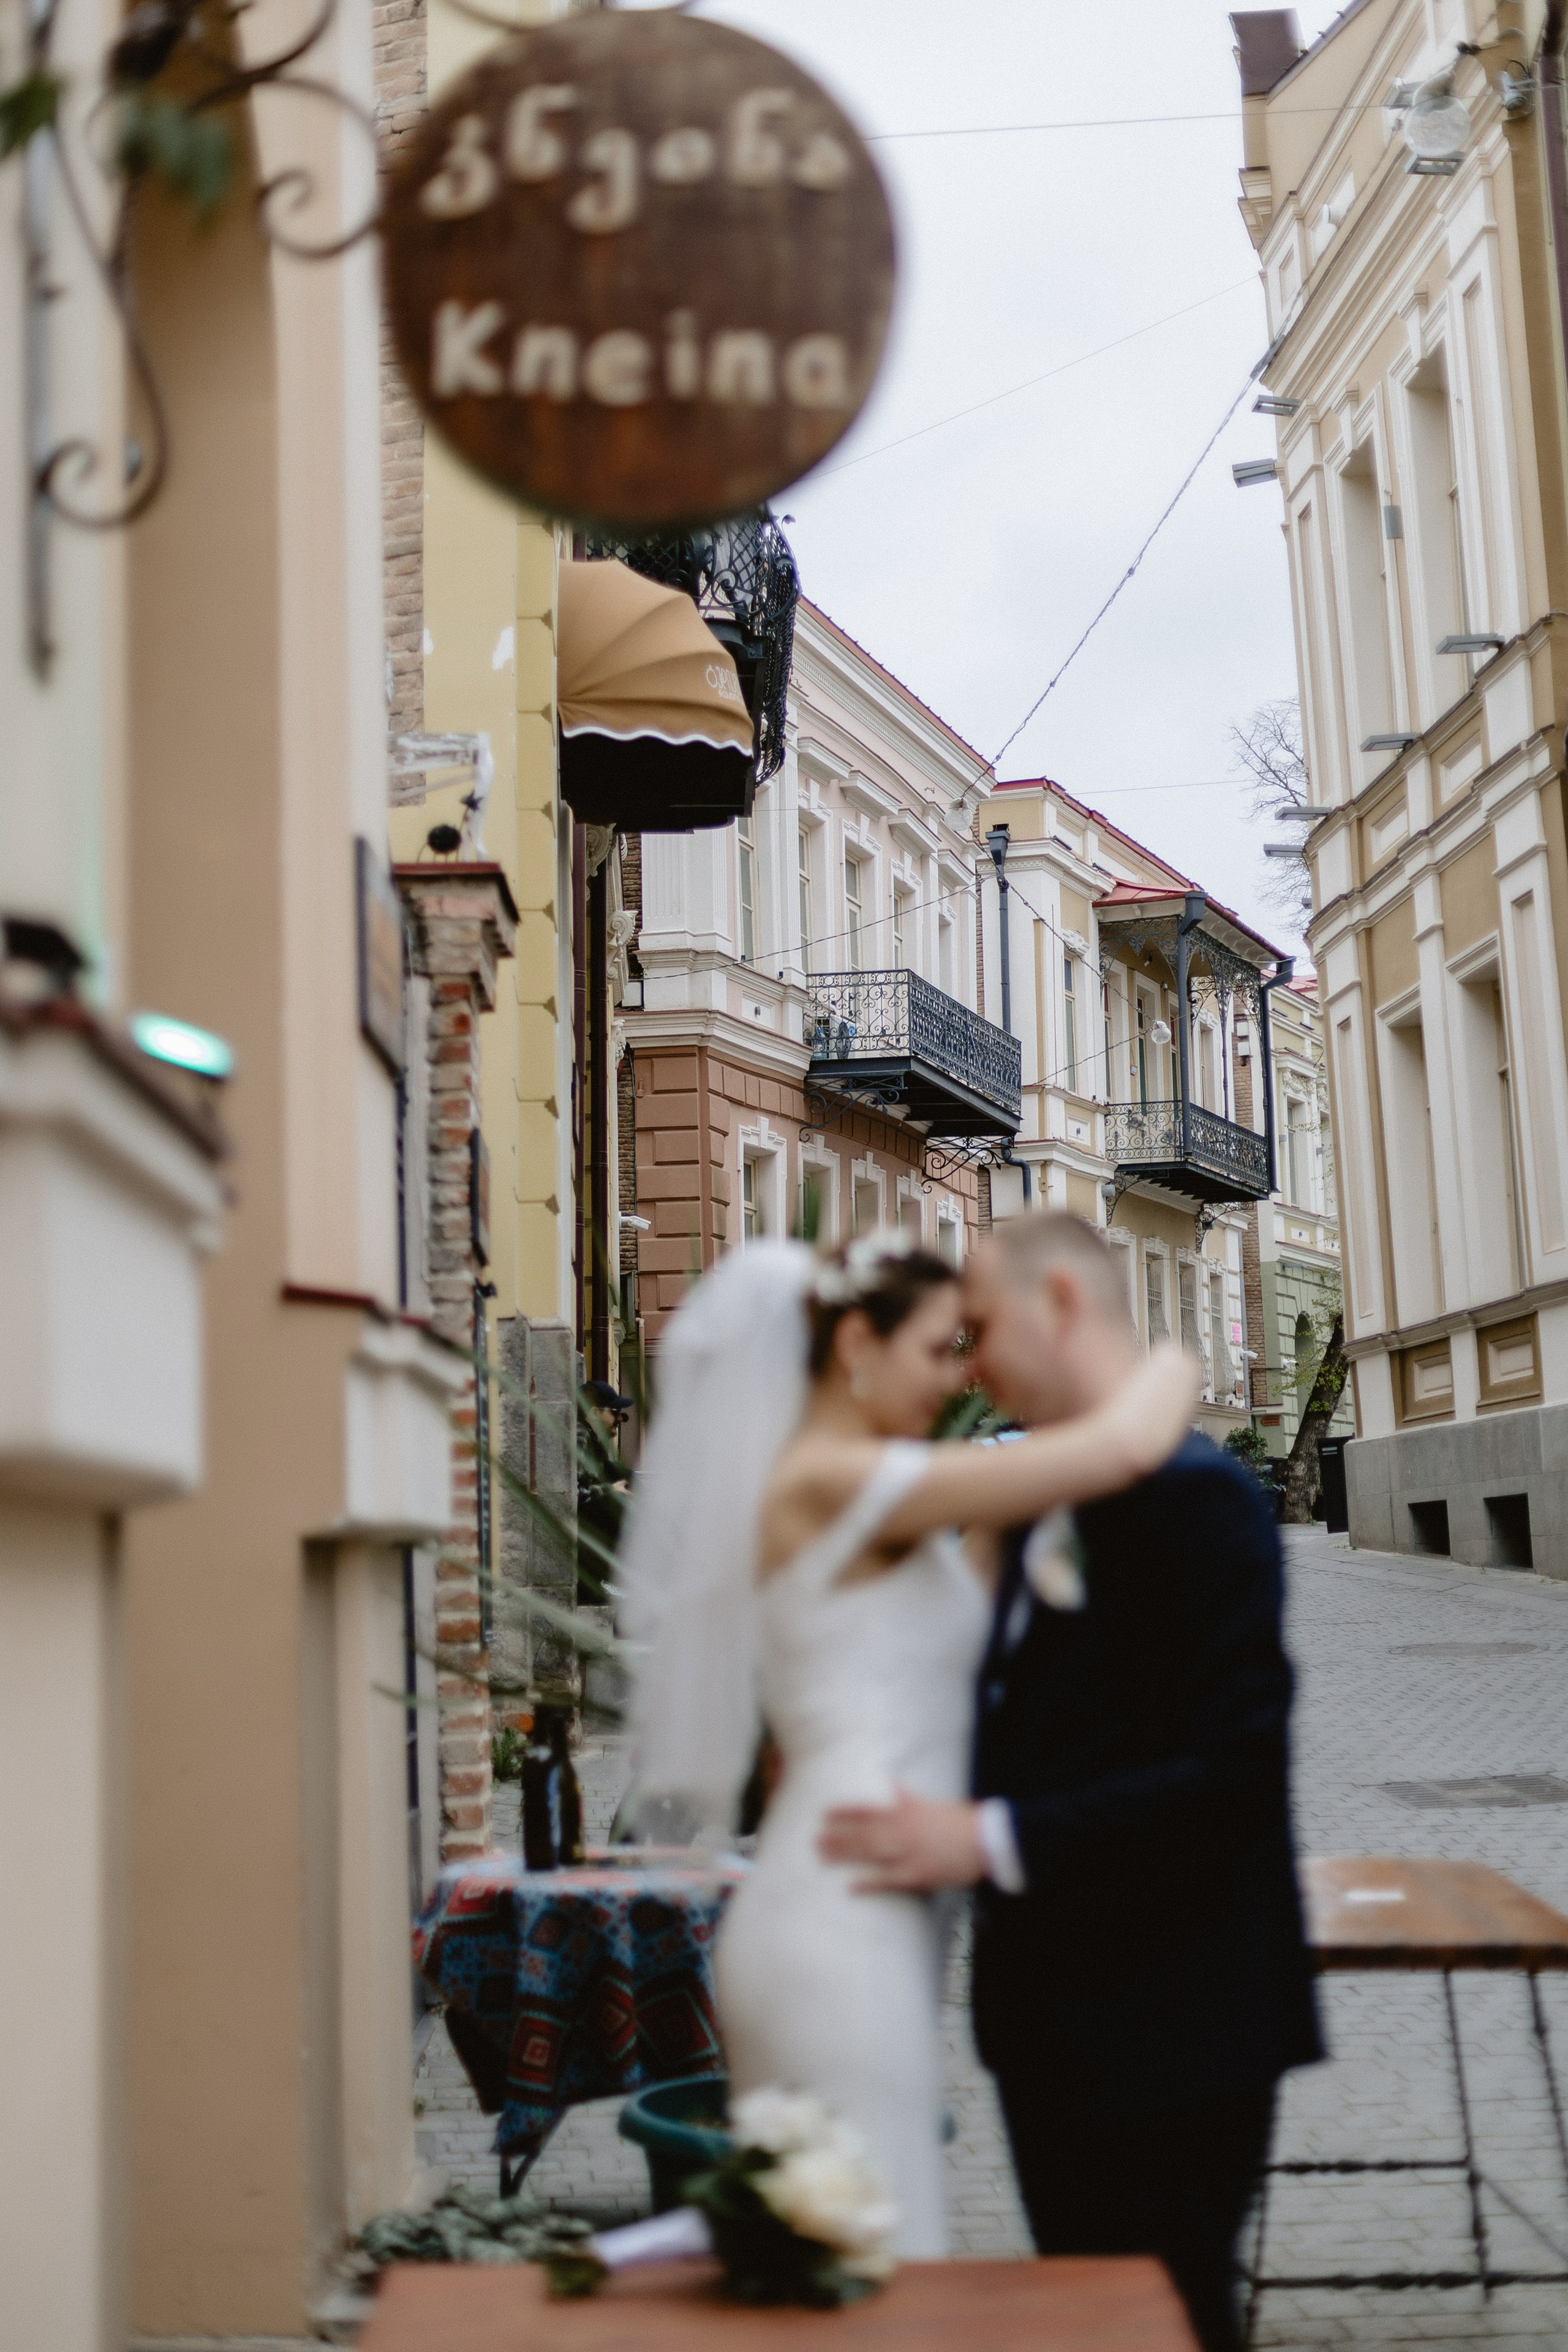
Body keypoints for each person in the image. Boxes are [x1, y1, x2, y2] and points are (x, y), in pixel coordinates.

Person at [616, 1232, 1197, 2261]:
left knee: (874, 2247)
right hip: (836, 1921)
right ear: (855, 1342)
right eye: (939, 1348)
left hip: (886, 1912)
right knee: (871, 2257)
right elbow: (1117, 1449)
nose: (960, 1374)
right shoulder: (830, 1478)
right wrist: (1178, 1358)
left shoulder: (885, 1502)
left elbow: (967, 1607)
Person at [820, 1212, 1324, 2351]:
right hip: (1049, 2019)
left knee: (1171, 2319)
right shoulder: (1035, 1491)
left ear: (1058, 1307)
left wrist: (987, 1842)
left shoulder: (1197, 1497)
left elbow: (1231, 1777)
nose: (972, 1363)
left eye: (984, 1327)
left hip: (1175, 2019)